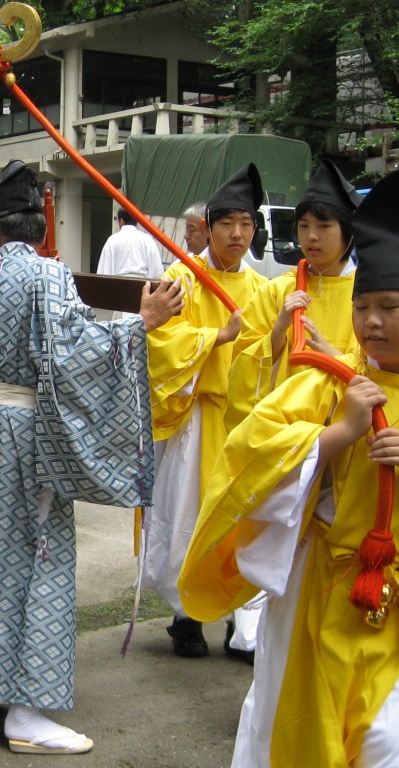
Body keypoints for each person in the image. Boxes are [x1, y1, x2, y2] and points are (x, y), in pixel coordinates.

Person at [0, 159, 184, 754]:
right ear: (42, 229)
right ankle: (24, 710)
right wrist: (142, 324)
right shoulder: (49, 278)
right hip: (26, 433)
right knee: (33, 559)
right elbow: (77, 354)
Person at [179, 170, 399, 768]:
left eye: (389, 308)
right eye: (364, 309)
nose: (372, 322)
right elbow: (253, 446)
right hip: (326, 587)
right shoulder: (340, 382)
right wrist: (337, 436)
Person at [141, 164, 268, 659]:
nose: (237, 234)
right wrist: (216, 337)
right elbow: (160, 341)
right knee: (189, 518)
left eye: (246, 224)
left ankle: (245, 624)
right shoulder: (182, 279)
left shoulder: (261, 288)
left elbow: (268, 356)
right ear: (209, 227)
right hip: (196, 419)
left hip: (244, 426)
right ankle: (185, 615)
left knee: (242, 520)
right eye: (227, 224)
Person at [226, 159, 363, 433]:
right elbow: (241, 365)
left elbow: (382, 371)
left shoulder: (367, 295)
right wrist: (279, 330)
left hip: (349, 429)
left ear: (348, 232)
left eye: (324, 226)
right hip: (286, 432)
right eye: (303, 226)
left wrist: (333, 357)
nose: (311, 237)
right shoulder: (278, 290)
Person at [97, 206, 165, 280]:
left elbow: (104, 272)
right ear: (136, 221)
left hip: (117, 286)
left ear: (121, 220)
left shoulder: (112, 241)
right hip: (143, 286)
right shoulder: (148, 240)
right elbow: (157, 272)